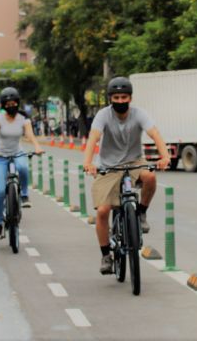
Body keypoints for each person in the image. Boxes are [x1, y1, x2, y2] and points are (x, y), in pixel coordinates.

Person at [83, 76, 171, 275]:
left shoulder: (139, 114)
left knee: (150, 177)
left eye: (124, 97)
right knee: (104, 211)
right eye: (116, 97)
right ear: (110, 99)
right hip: (108, 166)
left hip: (134, 163)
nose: (120, 101)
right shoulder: (103, 115)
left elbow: (155, 134)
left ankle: (140, 213)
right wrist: (88, 163)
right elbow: (93, 138)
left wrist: (164, 156)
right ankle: (106, 255)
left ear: (130, 98)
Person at [0, 87, 45, 240]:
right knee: (1, 191)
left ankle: (24, 195)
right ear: (3, 105)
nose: (11, 105)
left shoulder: (24, 118)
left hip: (18, 152)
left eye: (14, 103)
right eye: (7, 103)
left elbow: (29, 134)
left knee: (23, 167)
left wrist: (37, 146)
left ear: (18, 102)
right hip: (0, 156)